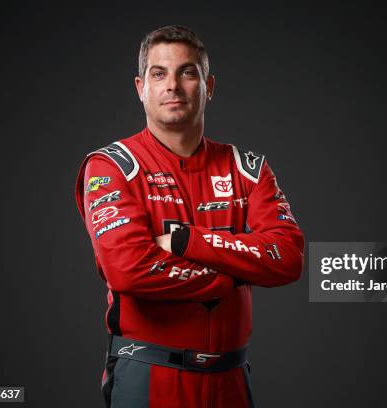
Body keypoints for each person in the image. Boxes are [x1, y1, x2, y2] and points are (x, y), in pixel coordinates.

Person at [74, 25, 304, 408]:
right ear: (140, 88)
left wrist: (187, 242)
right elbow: (127, 269)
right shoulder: (111, 167)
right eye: (159, 73)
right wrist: (232, 275)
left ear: (208, 86)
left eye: (188, 72)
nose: (173, 86)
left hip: (231, 379)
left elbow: (289, 258)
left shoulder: (247, 169)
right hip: (149, 376)